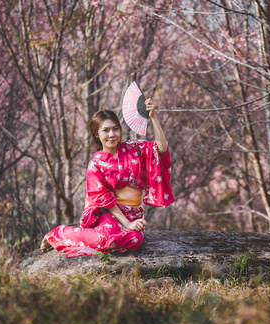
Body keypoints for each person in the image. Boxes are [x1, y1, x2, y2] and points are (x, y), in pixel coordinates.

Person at [40, 99, 174, 257]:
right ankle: (59, 233)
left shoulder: (134, 148)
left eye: (115, 129)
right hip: (109, 214)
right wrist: (128, 223)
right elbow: (106, 201)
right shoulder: (95, 165)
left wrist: (153, 117)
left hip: (134, 214)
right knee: (106, 240)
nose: (112, 134)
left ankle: (101, 239)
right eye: (106, 130)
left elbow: (161, 149)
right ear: (97, 134)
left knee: (135, 240)